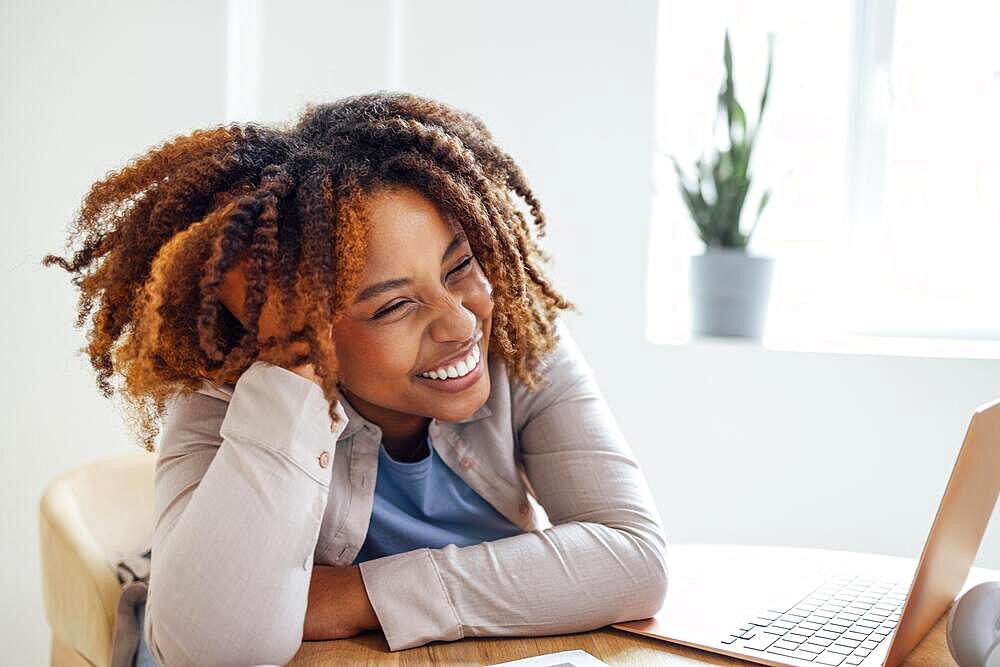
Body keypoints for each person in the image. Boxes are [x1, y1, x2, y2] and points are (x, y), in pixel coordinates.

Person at [42, 91, 669, 667]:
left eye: (460, 266)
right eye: (394, 305)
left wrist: (354, 597)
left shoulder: (518, 342)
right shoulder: (228, 393)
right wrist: (291, 363)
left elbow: (634, 560)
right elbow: (216, 652)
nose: (458, 325)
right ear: (299, 317)